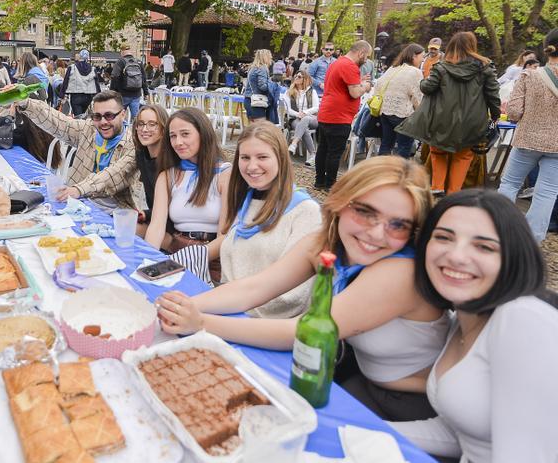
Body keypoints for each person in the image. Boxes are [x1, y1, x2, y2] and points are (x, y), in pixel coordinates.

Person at [157, 156, 450, 421]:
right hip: (359, 379)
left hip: (411, 407)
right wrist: (185, 303)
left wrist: (201, 322)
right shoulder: (327, 242)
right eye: (365, 212)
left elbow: (298, 331)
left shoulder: (399, 272)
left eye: (398, 225)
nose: (376, 233)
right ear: (341, 202)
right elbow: (254, 288)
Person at [391, 189, 558, 462]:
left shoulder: (522, 317)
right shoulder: (462, 319)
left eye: (484, 246)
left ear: (513, 259)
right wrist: (359, 428)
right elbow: (462, 436)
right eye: (444, 237)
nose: (457, 256)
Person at [217, 122, 321, 316]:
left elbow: (295, 295)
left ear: (280, 159)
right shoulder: (246, 200)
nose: (252, 166)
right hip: (230, 310)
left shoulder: (306, 212)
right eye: (245, 157)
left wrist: (228, 306)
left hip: (269, 327)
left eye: (262, 157)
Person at [397, 32, 501, 196]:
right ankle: (454, 193)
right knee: (463, 156)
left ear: (451, 46)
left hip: (442, 118)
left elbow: (426, 87)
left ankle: (437, 186)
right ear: (472, 46)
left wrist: (425, 79)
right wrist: (495, 115)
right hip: (472, 121)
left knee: (438, 150)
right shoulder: (485, 68)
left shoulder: (442, 67)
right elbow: (493, 95)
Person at [11, 90, 137, 210]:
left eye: (109, 116)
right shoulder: (89, 129)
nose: (103, 122)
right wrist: (25, 103)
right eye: (97, 116)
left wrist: (78, 190)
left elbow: (111, 175)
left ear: (123, 114)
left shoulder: (133, 144)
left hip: (114, 212)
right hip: (77, 202)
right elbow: (60, 123)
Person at [145, 108, 231, 281]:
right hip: (175, 248)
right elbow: (156, 226)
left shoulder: (224, 174)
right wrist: (148, 260)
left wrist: (189, 258)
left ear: (203, 134)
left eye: (185, 134)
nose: (178, 142)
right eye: (173, 136)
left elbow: (226, 236)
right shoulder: (168, 175)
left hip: (212, 256)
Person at [56, 104, 168, 231]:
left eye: (152, 124)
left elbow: (174, 208)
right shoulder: (141, 154)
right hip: (156, 219)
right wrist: (146, 214)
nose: (144, 129)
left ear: (164, 128)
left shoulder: (170, 162)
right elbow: (114, 172)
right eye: (141, 124)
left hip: (172, 229)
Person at [496, 29, 558, 243]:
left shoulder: (529, 76)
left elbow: (513, 112)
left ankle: (498, 230)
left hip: (527, 140)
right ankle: (531, 240)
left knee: (510, 184)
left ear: (547, 47)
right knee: (547, 193)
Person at [315, 40, 373, 190]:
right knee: (334, 152)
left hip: (326, 112)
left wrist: (358, 82)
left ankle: (319, 181)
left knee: (323, 149)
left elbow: (341, 85)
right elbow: (354, 93)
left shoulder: (337, 63)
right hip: (339, 116)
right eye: (366, 56)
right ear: (361, 53)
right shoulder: (350, 66)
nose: (366, 60)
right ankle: (330, 184)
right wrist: (365, 86)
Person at [374, 43, 425, 159]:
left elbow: (378, 85)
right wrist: (420, 114)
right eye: (421, 57)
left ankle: (380, 173)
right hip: (403, 114)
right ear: (413, 56)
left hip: (385, 112)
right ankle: (399, 175)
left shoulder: (393, 68)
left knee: (386, 144)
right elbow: (417, 97)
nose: (422, 60)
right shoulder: (415, 72)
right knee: (404, 147)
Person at [284, 70, 320, 166]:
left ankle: (294, 142)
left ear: (305, 79)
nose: (296, 78)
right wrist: (298, 114)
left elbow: (316, 107)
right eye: (295, 76)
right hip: (295, 119)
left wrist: (305, 112)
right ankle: (313, 155)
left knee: (306, 119)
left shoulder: (312, 91)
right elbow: (288, 109)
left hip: (312, 118)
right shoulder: (289, 92)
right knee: (304, 128)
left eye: (299, 76)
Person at [111, 44, 149, 121]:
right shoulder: (138, 62)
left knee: (119, 116)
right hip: (136, 94)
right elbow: (144, 79)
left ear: (122, 52)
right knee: (135, 118)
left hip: (123, 94)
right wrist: (146, 93)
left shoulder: (120, 62)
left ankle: (122, 132)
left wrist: (112, 91)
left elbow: (114, 77)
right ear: (130, 51)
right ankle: (135, 131)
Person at [59, 49, 101, 117]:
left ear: (79, 56)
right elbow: (96, 84)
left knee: (78, 117)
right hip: (88, 96)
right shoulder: (93, 69)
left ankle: (80, 126)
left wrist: (62, 95)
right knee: (83, 115)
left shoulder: (72, 68)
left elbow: (66, 82)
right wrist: (99, 96)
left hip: (76, 95)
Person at [242, 49, 274, 123]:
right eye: (270, 56)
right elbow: (262, 86)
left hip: (248, 100)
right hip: (256, 102)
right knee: (261, 128)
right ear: (265, 57)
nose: (271, 58)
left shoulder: (252, 68)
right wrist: (272, 85)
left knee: (253, 129)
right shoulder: (262, 68)